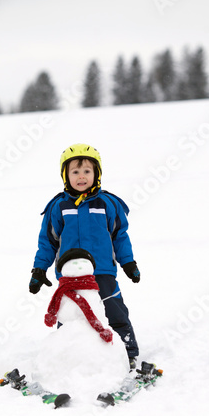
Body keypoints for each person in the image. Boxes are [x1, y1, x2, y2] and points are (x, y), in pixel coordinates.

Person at [29, 143, 140, 369]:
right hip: (69, 274)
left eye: (87, 171)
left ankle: (127, 352)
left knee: (114, 311)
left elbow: (120, 236)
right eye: (75, 172)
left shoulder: (108, 204)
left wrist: (128, 262)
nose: (81, 177)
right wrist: (39, 269)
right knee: (70, 316)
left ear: (96, 174)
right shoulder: (58, 206)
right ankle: (68, 357)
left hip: (102, 271)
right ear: (65, 175)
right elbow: (48, 242)